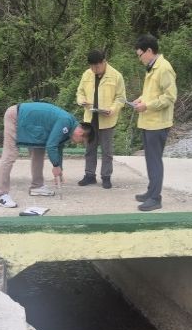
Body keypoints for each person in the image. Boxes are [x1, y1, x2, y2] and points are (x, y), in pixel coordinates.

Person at [0, 101, 92, 208]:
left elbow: (58, 147)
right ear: (80, 133)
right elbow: (51, 146)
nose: (79, 143)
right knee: (10, 154)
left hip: (32, 122)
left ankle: (37, 186)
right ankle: (1, 195)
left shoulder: (70, 126)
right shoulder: (66, 121)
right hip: (16, 116)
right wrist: (55, 166)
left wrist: (59, 168)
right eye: (82, 141)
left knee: (38, 151)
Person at [131, 35, 177, 211]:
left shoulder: (164, 68)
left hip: (158, 123)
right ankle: (151, 191)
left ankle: (155, 198)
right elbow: (152, 93)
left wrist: (147, 105)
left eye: (140, 54)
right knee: (150, 159)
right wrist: (140, 99)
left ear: (149, 51)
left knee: (155, 160)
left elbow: (170, 97)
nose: (139, 58)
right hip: (148, 121)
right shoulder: (152, 68)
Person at [76, 49, 127, 189]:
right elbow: (80, 92)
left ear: (104, 62)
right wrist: (82, 101)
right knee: (89, 149)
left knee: (107, 151)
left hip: (107, 119)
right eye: (91, 66)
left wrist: (113, 109)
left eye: (97, 66)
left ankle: (106, 177)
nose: (94, 69)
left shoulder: (116, 76)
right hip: (90, 118)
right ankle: (89, 175)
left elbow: (121, 98)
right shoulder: (87, 74)